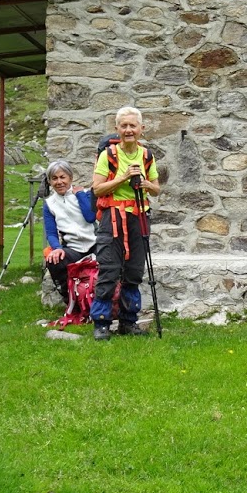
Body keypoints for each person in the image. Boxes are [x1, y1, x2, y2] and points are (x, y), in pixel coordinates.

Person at [90, 106, 160, 340]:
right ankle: (101, 322)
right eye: (124, 126)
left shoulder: (147, 156)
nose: (128, 130)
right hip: (113, 218)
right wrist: (123, 178)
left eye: (133, 125)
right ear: (117, 129)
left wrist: (146, 185)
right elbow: (97, 188)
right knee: (109, 269)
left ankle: (128, 322)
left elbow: (157, 189)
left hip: (139, 216)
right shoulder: (108, 155)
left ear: (141, 129)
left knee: (134, 271)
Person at [41, 160, 97, 307]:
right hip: (73, 248)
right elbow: (51, 232)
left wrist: (79, 194)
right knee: (54, 260)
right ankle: (72, 302)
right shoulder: (49, 204)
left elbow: (90, 217)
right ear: (50, 181)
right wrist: (56, 248)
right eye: (54, 178)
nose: (59, 182)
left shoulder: (84, 194)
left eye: (62, 177)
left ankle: (103, 301)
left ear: (70, 178)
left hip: (94, 244)